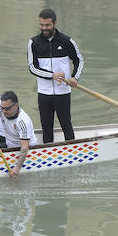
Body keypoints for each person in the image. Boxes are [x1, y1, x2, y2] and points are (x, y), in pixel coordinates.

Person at [28, 8, 84, 143]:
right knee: (46, 128)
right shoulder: (34, 43)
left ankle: (72, 151)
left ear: (55, 23)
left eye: (47, 25)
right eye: (41, 25)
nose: (44, 28)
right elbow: (32, 68)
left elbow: (79, 61)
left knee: (66, 125)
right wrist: (52, 75)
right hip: (44, 93)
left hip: (63, 92)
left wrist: (74, 78)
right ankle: (49, 155)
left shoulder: (67, 41)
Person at [0, 91, 37, 178]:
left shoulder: (23, 121)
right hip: (8, 142)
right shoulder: (3, 108)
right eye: (2, 108)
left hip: (20, 148)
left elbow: (24, 147)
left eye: (7, 109)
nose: (4, 111)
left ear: (16, 106)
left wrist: (17, 168)